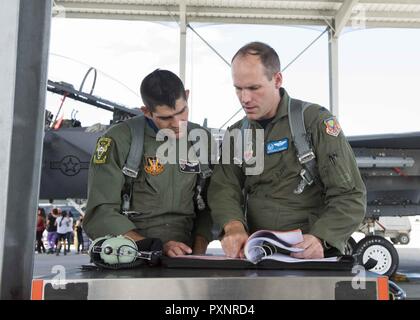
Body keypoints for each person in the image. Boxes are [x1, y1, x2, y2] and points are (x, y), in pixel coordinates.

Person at [208, 42, 366, 259]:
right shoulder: (236, 134)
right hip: (258, 256)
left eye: (254, 88)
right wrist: (233, 226)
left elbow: (350, 195)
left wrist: (321, 237)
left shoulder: (314, 122)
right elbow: (223, 188)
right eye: (238, 88)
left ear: (278, 80)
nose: (245, 98)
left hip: (311, 256)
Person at [84, 69, 215, 257]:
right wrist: (152, 247)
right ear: (146, 111)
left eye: (182, 112)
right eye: (166, 117)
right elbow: (100, 212)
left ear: (187, 96)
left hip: (186, 255)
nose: (177, 123)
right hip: (132, 255)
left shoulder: (201, 140)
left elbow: (210, 206)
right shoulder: (120, 140)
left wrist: (198, 253)